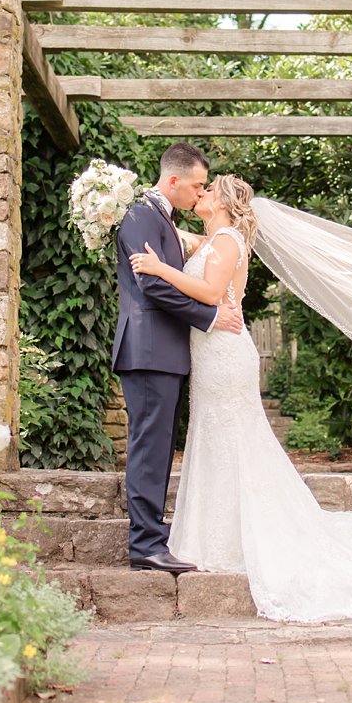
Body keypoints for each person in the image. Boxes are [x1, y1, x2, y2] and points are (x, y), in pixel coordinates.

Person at [129, 173, 352, 621]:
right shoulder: (213, 239)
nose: (202, 193)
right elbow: (188, 244)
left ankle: (241, 537)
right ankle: (214, 536)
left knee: (234, 441)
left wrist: (159, 269)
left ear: (225, 204)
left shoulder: (228, 240)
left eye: (209, 189)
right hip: (212, 357)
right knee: (217, 441)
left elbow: (213, 294)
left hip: (226, 356)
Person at [112, 143, 244, 575]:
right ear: (173, 181)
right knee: (150, 447)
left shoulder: (162, 219)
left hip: (163, 351)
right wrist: (208, 316)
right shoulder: (141, 215)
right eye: (196, 185)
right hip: (148, 349)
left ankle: (152, 534)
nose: (198, 193)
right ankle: (146, 544)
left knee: (159, 445)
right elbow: (152, 286)